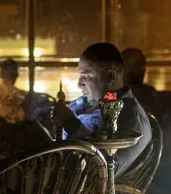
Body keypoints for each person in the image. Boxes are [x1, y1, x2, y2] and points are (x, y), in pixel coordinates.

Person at [51, 43, 151, 177]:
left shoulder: (130, 117)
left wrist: (71, 124)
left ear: (110, 77)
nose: (79, 84)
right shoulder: (82, 104)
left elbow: (103, 172)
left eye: (87, 76)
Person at [121, 47, 161, 116]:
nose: (143, 69)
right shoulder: (111, 98)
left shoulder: (150, 94)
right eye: (137, 65)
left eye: (143, 64)